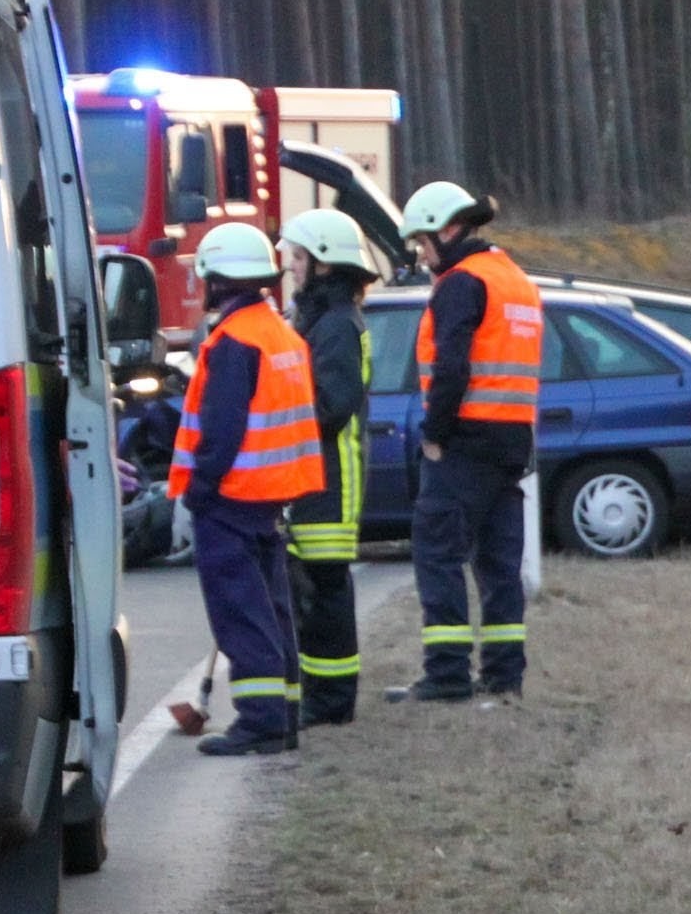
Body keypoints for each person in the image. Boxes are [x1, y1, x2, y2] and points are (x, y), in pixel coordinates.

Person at [168, 222, 327, 756]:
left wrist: (199, 490)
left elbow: (221, 431)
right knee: (271, 607)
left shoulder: (235, 341)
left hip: (232, 495)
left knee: (242, 611)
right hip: (270, 494)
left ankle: (260, 722)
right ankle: (282, 716)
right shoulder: (280, 332)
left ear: (218, 279)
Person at [387, 181, 541, 704]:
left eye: (422, 242)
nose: (421, 254)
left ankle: (447, 673)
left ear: (448, 231)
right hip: (512, 441)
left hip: (465, 441)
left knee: (437, 553)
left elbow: (453, 365)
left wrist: (434, 433)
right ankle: (504, 675)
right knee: (499, 567)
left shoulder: (461, 282)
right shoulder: (514, 279)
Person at [277, 208, 375, 725]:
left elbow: (331, 407)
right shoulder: (321, 319)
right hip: (314, 475)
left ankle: (332, 701)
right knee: (314, 590)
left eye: (297, 256)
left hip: (330, 479)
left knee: (326, 590)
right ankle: (322, 695)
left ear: (323, 264)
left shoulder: (335, 325)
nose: (291, 266)